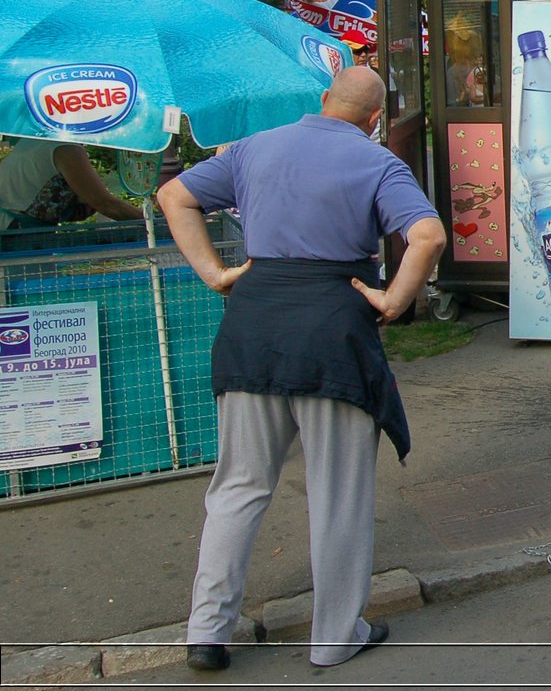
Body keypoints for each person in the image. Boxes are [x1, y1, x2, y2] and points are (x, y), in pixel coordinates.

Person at [156, 67, 445, 670]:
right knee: (337, 494)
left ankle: (207, 632)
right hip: (332, 333)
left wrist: (214, 273)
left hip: (253, 327)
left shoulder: (252, 148)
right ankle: (336, 637)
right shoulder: (379, 162)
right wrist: (394, 299)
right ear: (375, 120)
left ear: (322, 101)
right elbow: (428, 237)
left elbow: (174, 195)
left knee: (238, 486)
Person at [0, 137, 142, 231]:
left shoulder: (35, 139)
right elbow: (105, 204)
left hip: (12, 224)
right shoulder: (65, 148)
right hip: (18, 230)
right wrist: (154, 221)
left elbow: (35, 192)